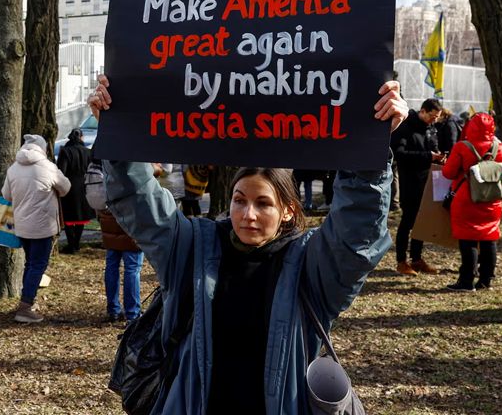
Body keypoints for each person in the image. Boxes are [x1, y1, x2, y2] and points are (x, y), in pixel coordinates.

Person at [87, 75, 406, 413]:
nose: (248, 214)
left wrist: (370, 144)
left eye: (263, 203)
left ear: (287, 211)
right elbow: (140, 202)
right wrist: (116, 129)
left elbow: (356, 233)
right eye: (239, 200)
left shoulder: (310, 268)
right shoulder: (192, 249)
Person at [1, 134, 71, 323]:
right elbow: (66, 188)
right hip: (42, 226)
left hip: (22, 225)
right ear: (42, 148)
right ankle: (25, 307)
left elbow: (5, 194)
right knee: (38, 265)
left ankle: (28, 301)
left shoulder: (13, 168)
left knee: (30, 264)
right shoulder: (47, 167)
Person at [441, 113, 502, 291]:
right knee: (490, 237)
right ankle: (486, 280)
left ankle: (466, 280)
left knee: (468, 240)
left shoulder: (463, 147)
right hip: (492, 199)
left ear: (470, 126)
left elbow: (448, 172)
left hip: (466, 198)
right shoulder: (498, 146)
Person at [390, 97, 443, 276]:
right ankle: (401, 261)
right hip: (410, 181)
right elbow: (399, 153)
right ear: (423, 111)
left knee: (422, 221)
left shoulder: (430, 128)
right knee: (408, 221)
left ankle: (417, 258)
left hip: (427, 181)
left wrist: (438, 157)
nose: (434, 120)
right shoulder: (406, 127)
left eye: (437, 117)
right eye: (432, 116)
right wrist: (428, 156)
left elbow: (432, 147)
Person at [99, 208, 144, 323]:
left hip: (109, 219)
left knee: (112, 266)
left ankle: (113, 310)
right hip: (131, 219)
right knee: (132, 269)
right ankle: (132, 313)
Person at [56, 129, 95, 253]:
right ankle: (76, 243)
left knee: (68, 216)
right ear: (81, 137)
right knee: (80, 216)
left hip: (69, 187)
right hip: (84, 186)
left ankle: (71, 244)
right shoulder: (88, 152)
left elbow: (61, 171)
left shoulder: (65, 151)